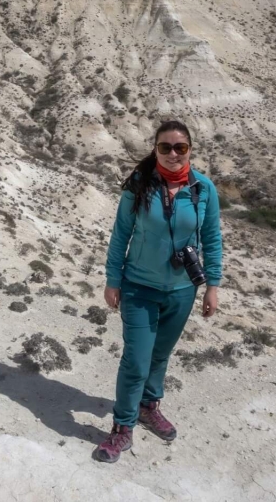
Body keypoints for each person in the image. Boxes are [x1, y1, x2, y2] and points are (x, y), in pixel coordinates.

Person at [94, 120, 223, 463]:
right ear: (155, 150)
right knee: (136, 361)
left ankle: (149, 407)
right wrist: (113, 279)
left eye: (180, 147)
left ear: (190, 150)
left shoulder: (203, 189)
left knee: (160, 356)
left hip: (182, 291)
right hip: (138, 287)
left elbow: (211, 239)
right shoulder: (139, 185)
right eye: (165, 147)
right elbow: (121, 234)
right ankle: (122, 428)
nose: (172, 154)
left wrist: (213, 286)